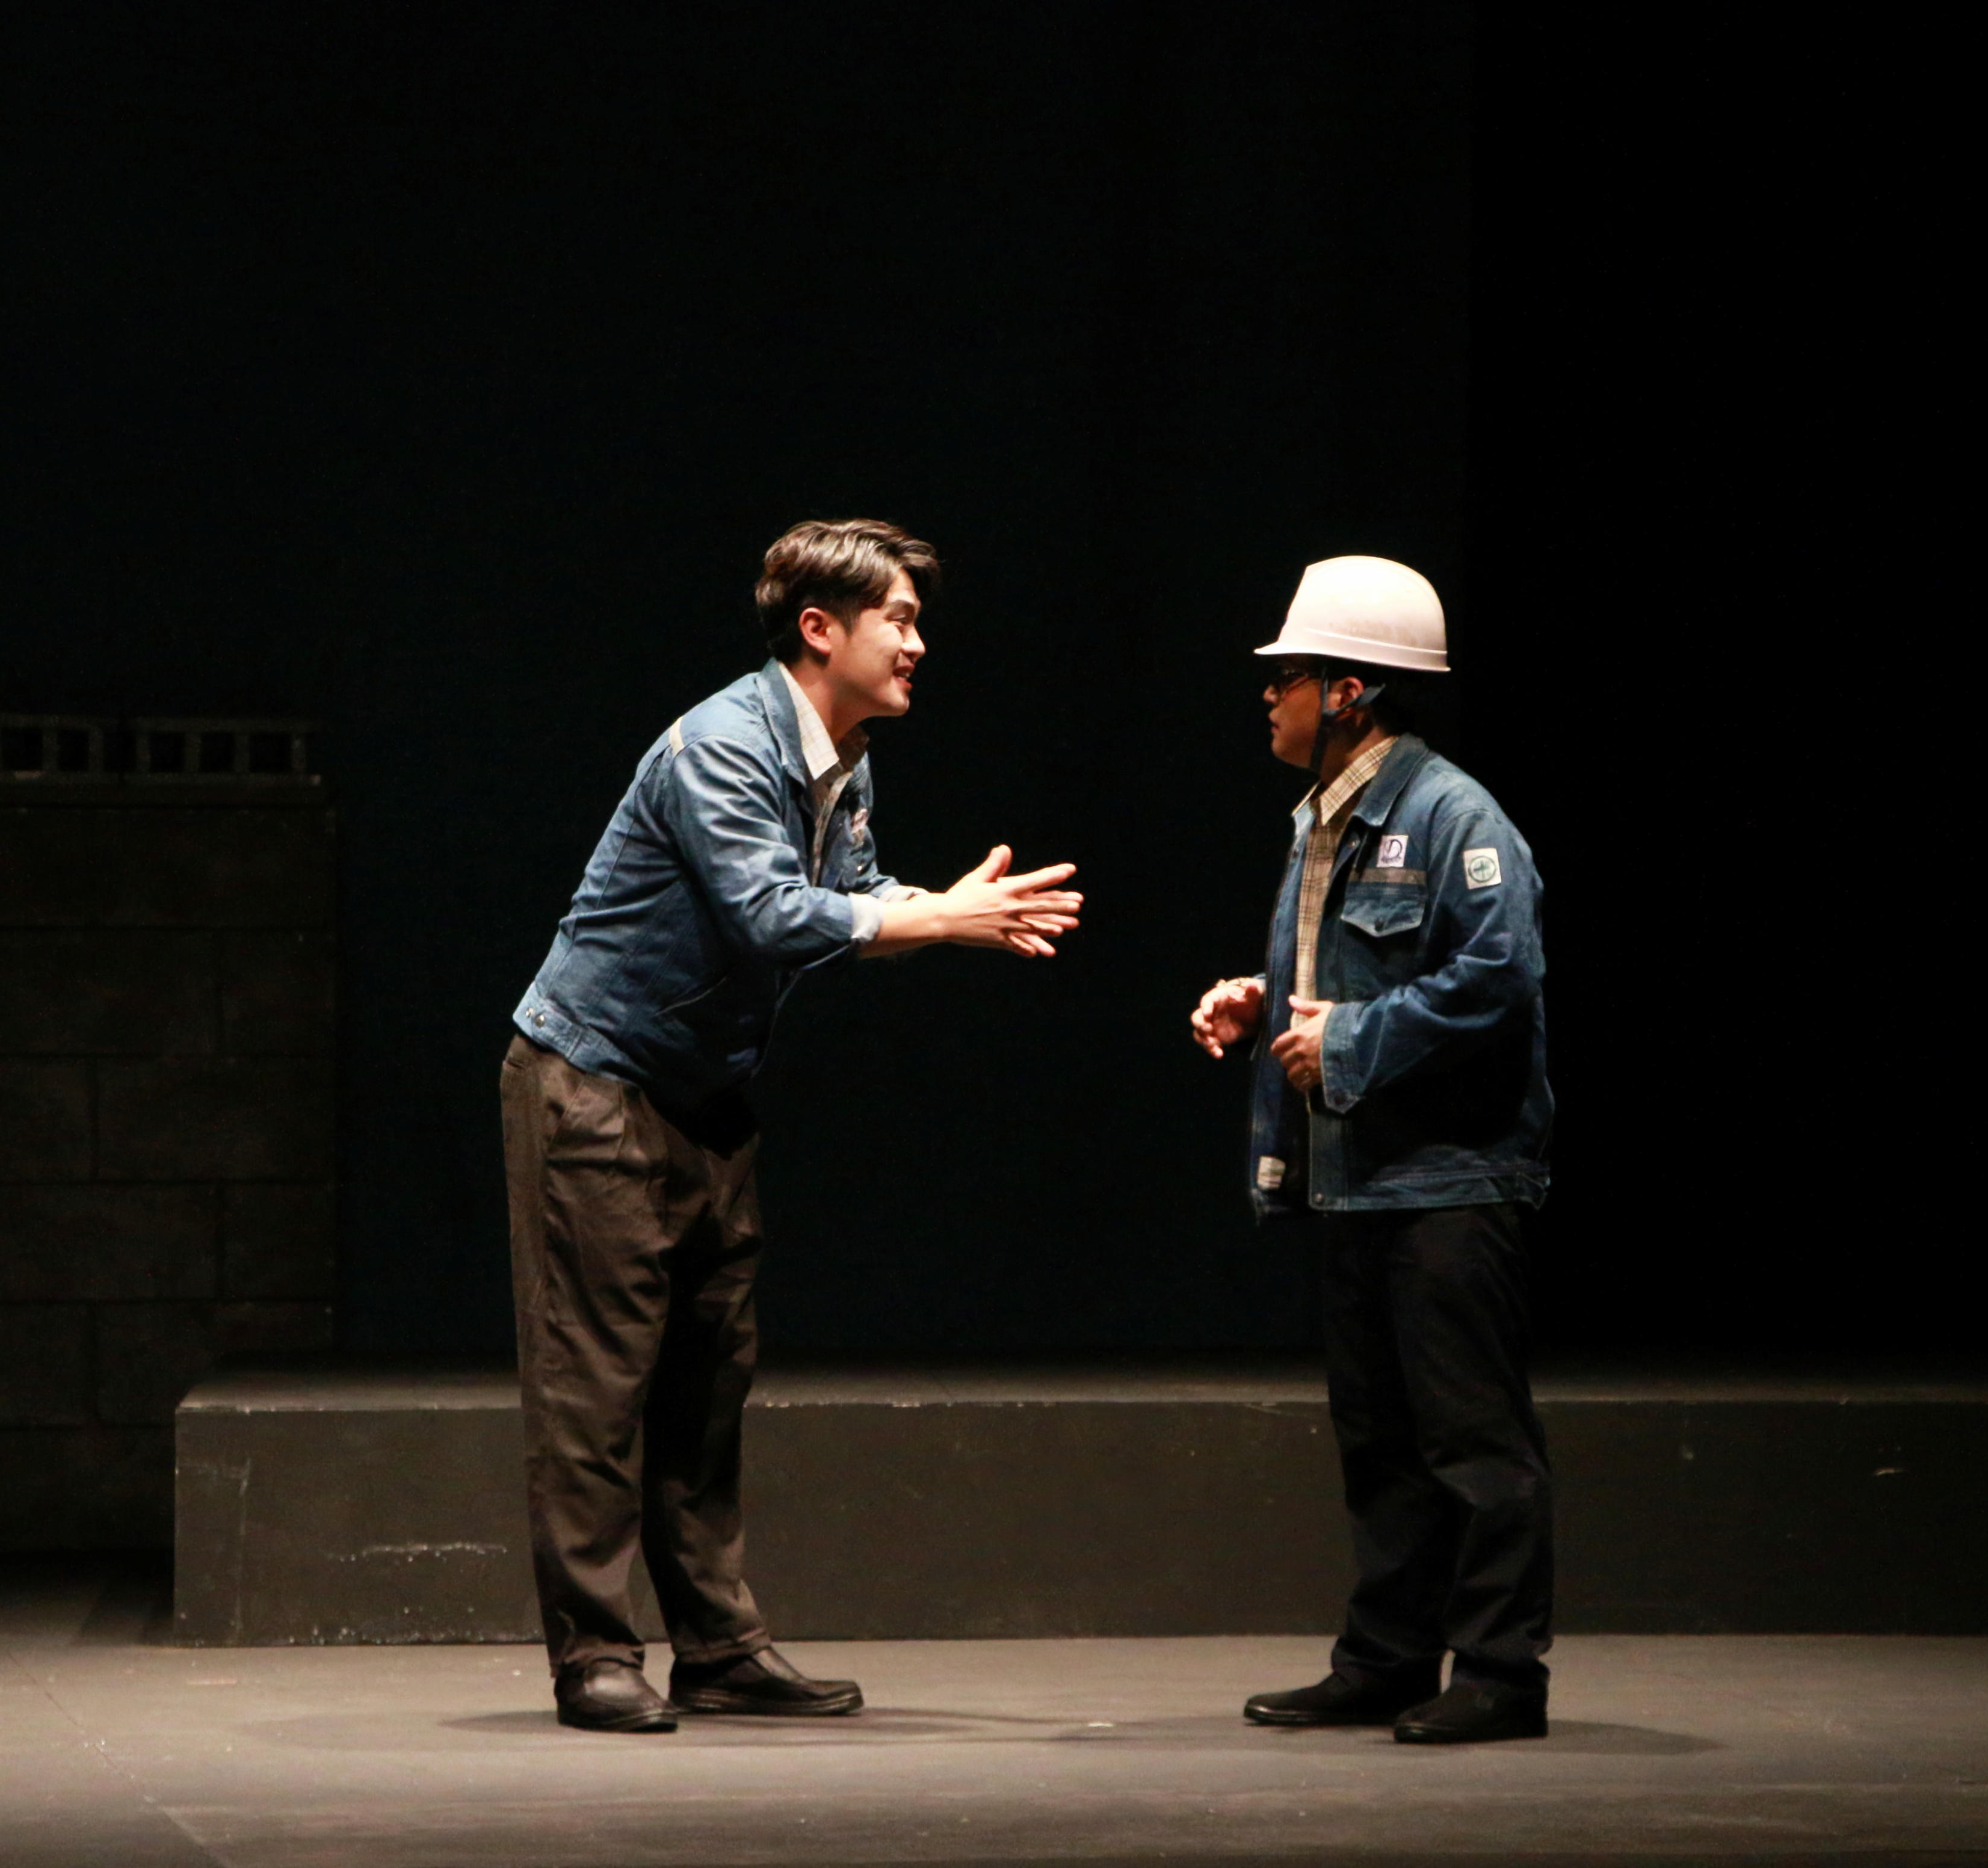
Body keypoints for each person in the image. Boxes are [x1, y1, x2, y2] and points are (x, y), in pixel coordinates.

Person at [504, 519, 1084, 1733]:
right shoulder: (724, 744)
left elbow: (851, 896)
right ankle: (594, 1654)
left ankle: (718, 1648)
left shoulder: (842, 759)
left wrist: (942, 905)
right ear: (820, 629)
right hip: (596, 1080)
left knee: (708, 1381)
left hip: (704, 1094)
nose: (918, 643)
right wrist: (940, 920)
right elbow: (770, 914)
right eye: (900, 619)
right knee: (598, 1384)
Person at [1189, 555, 1556, 1745]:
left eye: (1287, 675)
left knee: (1471, 1438)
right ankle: (1389, 1659)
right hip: (1357, 1179)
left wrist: (1348, 1037)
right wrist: (1264, 1000)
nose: (1269, 694)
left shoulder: (1453, 816)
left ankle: (1500, 1672)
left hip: (1448, 1180)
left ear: (1348, 691)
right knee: (1381, 1438)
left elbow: (1499, 978)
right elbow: (1355, 970)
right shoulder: (1323, 819)